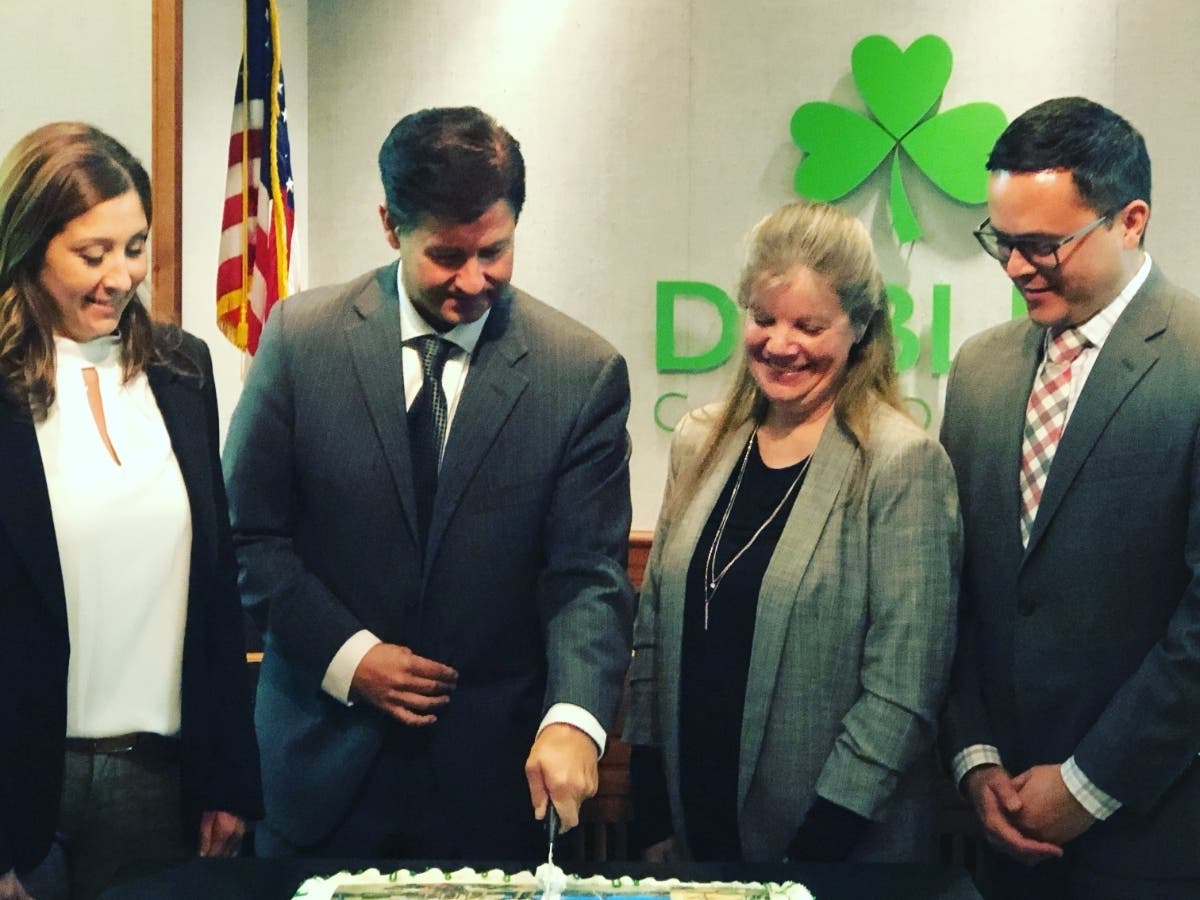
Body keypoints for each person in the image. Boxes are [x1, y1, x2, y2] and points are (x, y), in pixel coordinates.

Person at [223, 106, 635, 860]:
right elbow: (250, 535)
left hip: (499, 791)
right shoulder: (298, 340)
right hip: (321, 780)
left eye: (496, 252)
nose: (474, 281)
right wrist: (351, 656)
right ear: (390, 225)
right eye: (447, 255)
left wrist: (573, 717)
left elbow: (587, 577)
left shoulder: (579, 373)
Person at [625, 200, 960, 863]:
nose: (780, 344)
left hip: (833, 852)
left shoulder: (901, 464)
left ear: (859, 328)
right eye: (763, 318)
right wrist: (651, 815)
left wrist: (809, 861)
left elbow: (903, 693)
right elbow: (655, 637)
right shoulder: (701, 441)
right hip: (695, 835)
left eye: (809, 325)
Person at [940, 97, 1200, 899]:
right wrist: (975, 758)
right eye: (1002, 242)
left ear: (1130, 221)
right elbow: (958, 591)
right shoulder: (980, 369)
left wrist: (1089, 784)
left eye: (1043, 245)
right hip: (997, 835)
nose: (1016, 267)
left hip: (1155, 838)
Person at [0, 123, 262, 900]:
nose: (121, 276)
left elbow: (215, 591)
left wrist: (229, 778)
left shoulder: (183, 370)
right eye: (93, 254)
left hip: (160, 783)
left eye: (136, 247)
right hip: (20, 783)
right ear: (29, 246)